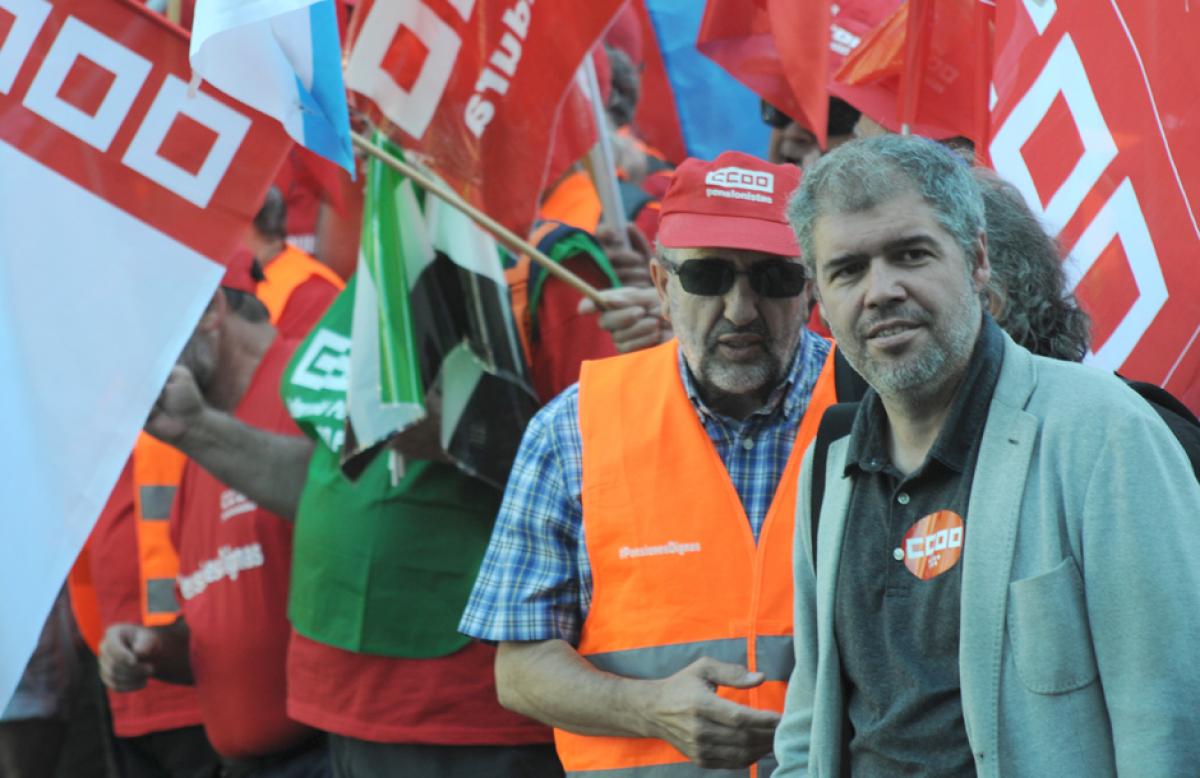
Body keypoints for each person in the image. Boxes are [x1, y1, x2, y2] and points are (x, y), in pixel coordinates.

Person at [774, 134, 1200, 776]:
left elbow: (1170, 724)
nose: (880, 290)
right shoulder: (828, 465)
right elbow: (809, 725)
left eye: (910, 254)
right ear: (820, 301)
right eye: (848, 269)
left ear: (976, 260)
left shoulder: (1105, 433)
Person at [460, 151, 842, 775]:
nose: (741, 310)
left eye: (773, 278)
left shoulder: (874, 408)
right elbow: (519, 669)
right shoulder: (572, 430)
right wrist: (648, 708)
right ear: (663, 286)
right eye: (708, 277)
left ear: (811, 290)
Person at [99, 258, 328, 777]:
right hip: (244, 761)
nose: (137, 362)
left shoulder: (304, 391)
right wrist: (153, 648)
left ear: (210, 311)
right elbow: (212, 628)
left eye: (148, 332)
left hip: (326, 754)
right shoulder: (200, 440)